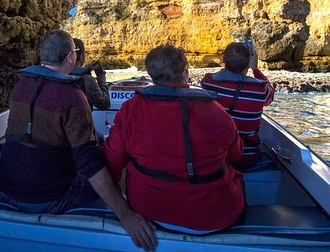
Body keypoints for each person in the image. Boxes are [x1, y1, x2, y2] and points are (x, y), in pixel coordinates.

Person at [0, 29, 157, 250]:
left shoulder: (21, 86)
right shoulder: (71, 96)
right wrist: (125, 213)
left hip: (7, 190)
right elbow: (89, 162)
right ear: (71, 57)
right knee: (110, 173)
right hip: (46, 199)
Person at [103, 44, 245, 234]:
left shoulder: (131, 109)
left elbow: (112, 160)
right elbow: (236, 154)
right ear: (185, 73)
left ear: (151, 75)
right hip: (216, 215)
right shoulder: (215, 110)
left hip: (151, 211)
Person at [200, 40, 275, 170]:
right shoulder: (260, 89)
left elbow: (220, 76)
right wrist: (255, 69)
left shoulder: (208, 82)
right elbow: (270, 96)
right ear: (248, 63)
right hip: (245, 156)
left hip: (215, 154)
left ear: (224, 60)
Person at [70, 38, 110, 110]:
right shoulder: (87, 80)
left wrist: (85, 70)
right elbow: (104, 104)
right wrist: (102, 82)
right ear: (82, 56)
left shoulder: (60, 73)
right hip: (81, 119)